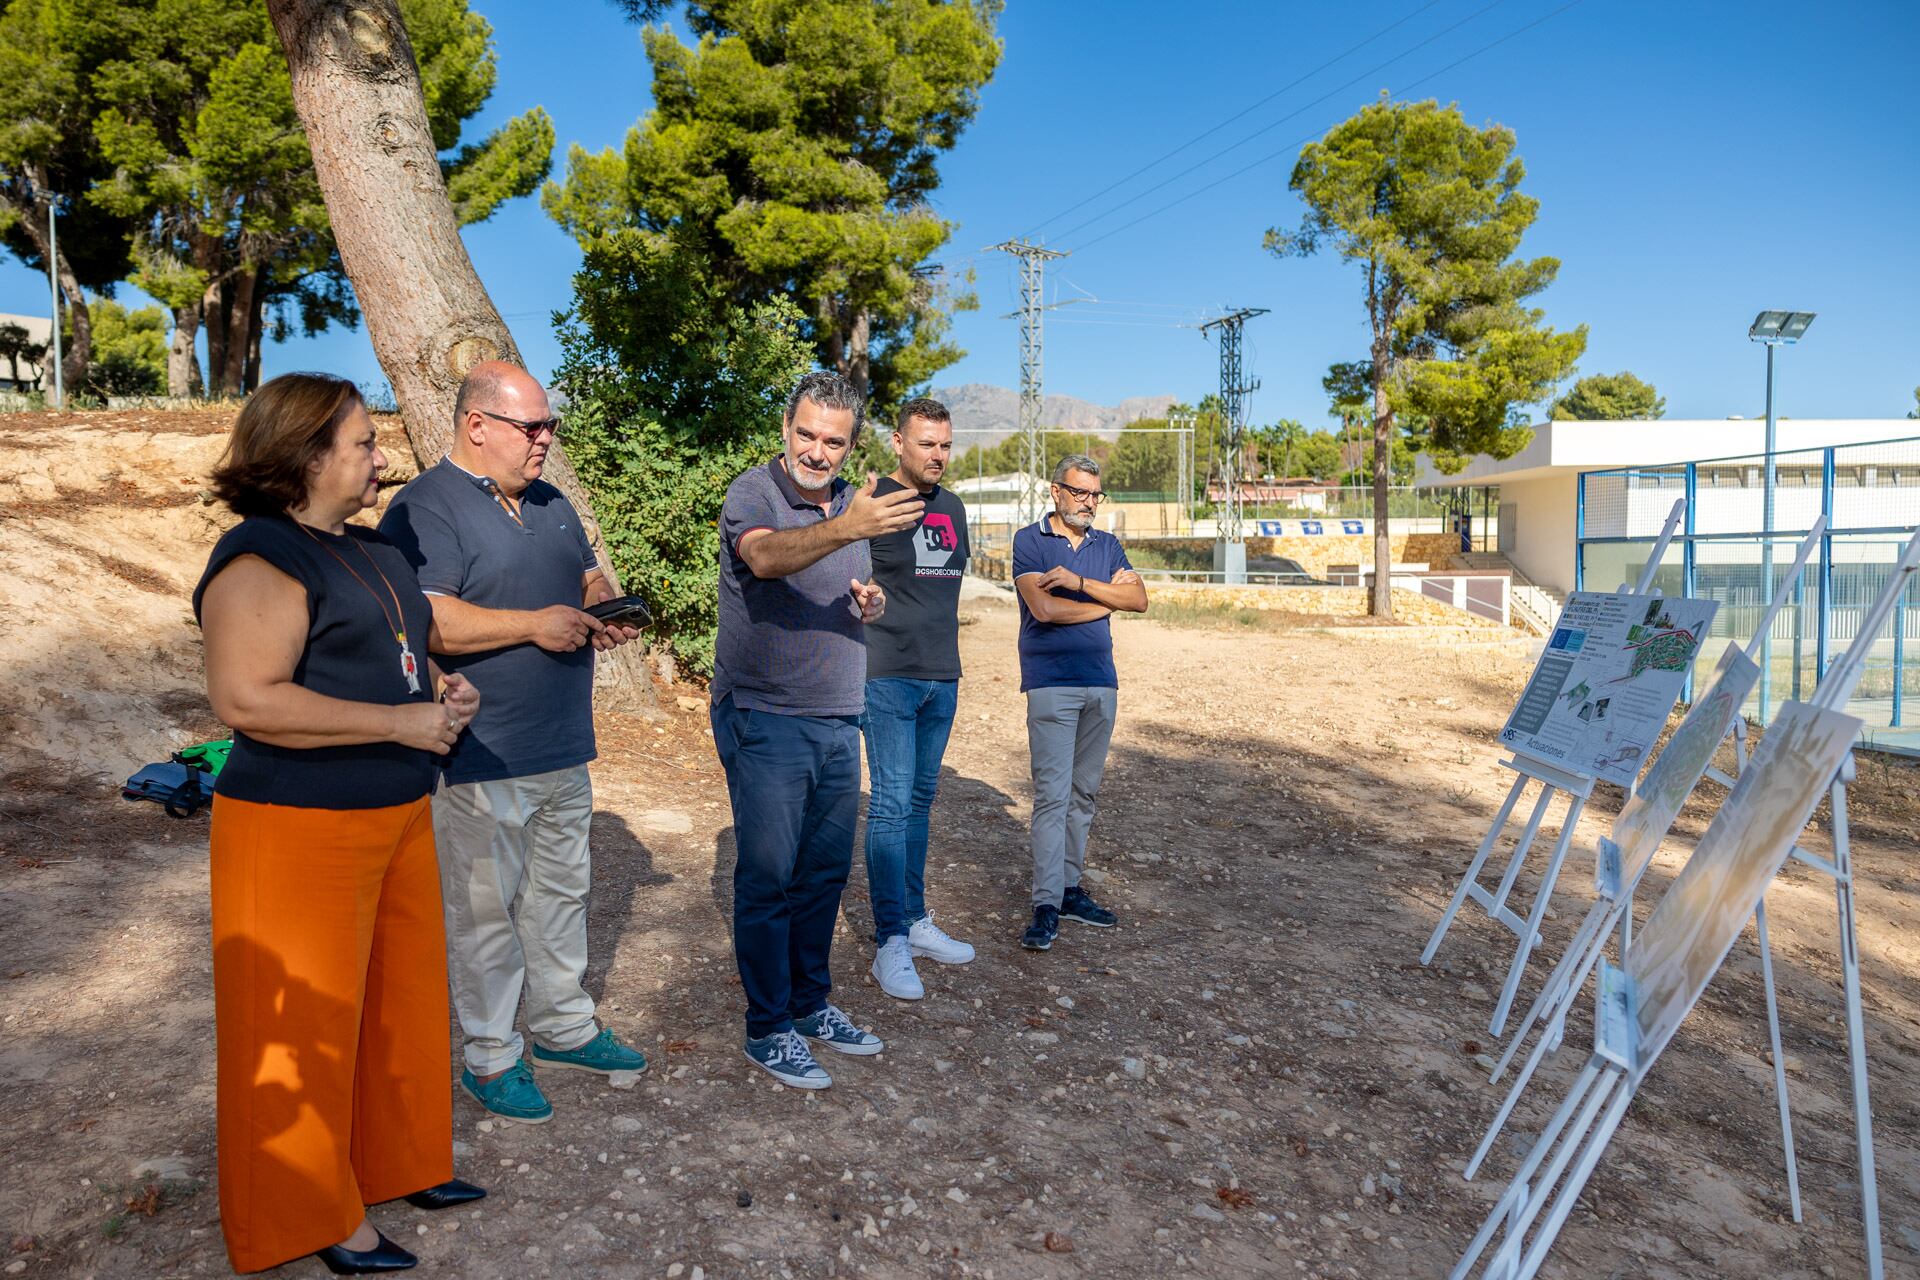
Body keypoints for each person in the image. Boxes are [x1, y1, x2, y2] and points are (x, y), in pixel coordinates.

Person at [195, 373, 485, 1276]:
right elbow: (248, 697)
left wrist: (441, 692)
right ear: (307, 454)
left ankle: (396, 1165)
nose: (380, 458)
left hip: (395, 815)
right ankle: (310, 1215)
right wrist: (402, 723)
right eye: (363, 443)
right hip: (294, 827)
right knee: (300, 1031)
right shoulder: (260, 558)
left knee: (398, 1009)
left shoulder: (373, 552)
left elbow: (398, 662)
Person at [379, 362, 648, 1126]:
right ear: (476, 425)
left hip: (563, 743)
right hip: (479, 751)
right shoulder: (424, 507)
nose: (546, 440)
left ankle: (563, 1027)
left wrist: (605, 603)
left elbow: (587, 574)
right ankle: (492, 1055)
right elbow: (423, 620)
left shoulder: (553, 501)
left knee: (561, 897)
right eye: (533, 427)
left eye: (549, 426)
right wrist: (534, 623)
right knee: (485, 914)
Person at [711, 370, 922, 1088]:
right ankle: (766, 1027)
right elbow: (766, 557)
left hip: (838, 715)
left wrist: (869, 599)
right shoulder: (754, 493)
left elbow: (845, 578)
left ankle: (808, 1006)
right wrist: (848, 528)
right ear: (785, 429)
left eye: (833, 441)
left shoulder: (845, 504)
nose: (818, 451)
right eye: (806, 434)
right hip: (766, 715)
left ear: (850, 444)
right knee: (769, 878)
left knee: (823, 876)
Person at [861, 397, 976, 1000]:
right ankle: (889, 942)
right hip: (885, 676)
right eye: (926, 443)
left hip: (942, 677)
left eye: (945, 445)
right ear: (897, 442)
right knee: (890, 804)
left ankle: (914, 918)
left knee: (921, 802)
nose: (937, 455)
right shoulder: (871, 499)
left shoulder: (952, 506)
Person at [1011, 454, 1149, 952]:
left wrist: (1078, 583)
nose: (1089, 502)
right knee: (1052, 796)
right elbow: (1043, 609)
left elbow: (1139, 601)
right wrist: (1106, 599)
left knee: (1083, 796)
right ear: (1056, 491)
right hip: (1051, 683)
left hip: (1101, 684)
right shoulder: (1029, 541)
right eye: (1079, 492)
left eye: (1096, 494)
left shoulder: (1107, 544)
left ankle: (1069, 890)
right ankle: (1045, 904)